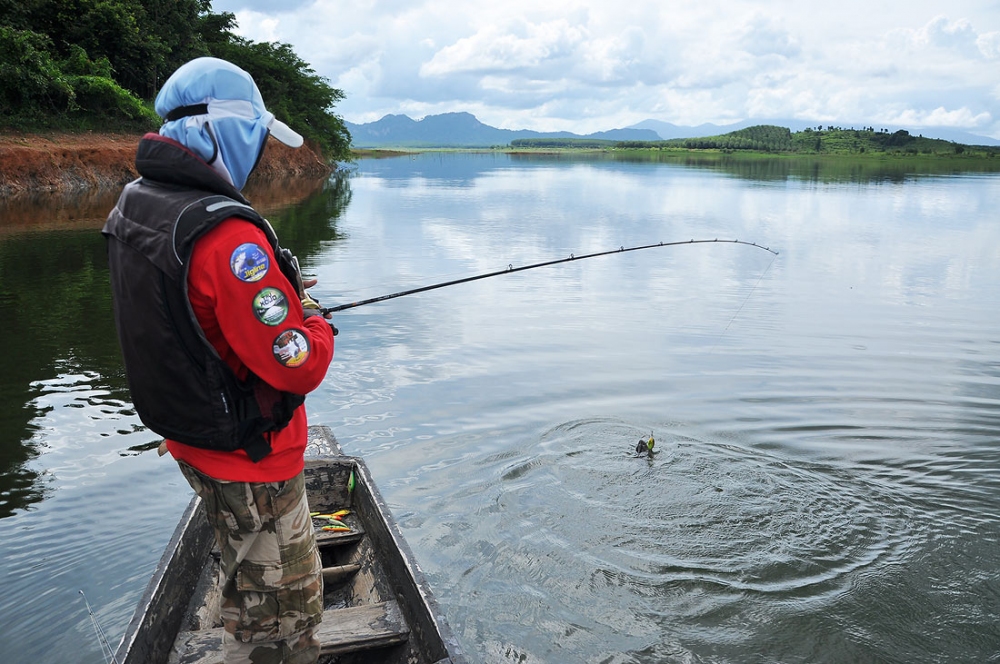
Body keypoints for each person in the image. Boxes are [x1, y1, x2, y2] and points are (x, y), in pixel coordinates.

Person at [102, 57, 336, 664]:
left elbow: (190, 314)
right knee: (288, 618)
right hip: (249, 459)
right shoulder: (229, 239)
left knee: (247, 577)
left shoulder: (138, 201)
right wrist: (314, 319)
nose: (260, 151)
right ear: (227, 133)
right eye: (256, 135)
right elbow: (297, 363)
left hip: (191, 440)